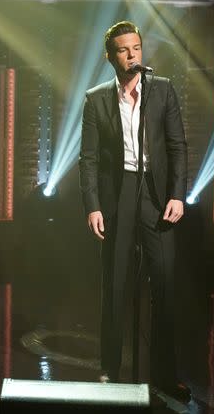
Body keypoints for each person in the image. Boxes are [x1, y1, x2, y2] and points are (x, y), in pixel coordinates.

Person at [79, 21, 189, 400]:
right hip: (119, 193)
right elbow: (88, 159)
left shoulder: (162, 90)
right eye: (124, 50)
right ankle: (109, 369)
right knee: (115, 285)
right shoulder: (96, 98)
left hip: (156, 194)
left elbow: (177, 146)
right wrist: (92, 206)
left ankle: (165, 373)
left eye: (137, 48)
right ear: (111, 57)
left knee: (164, 284)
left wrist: (178, 194)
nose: (132, 55)